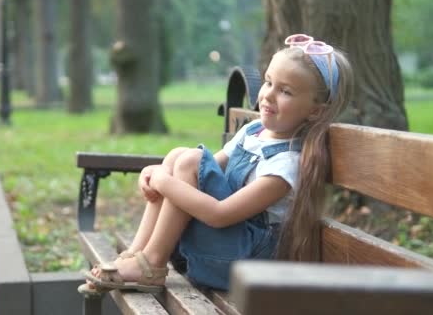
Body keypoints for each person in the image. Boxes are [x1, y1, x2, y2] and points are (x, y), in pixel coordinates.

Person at [79, 33, 354, 293]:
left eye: (286, 91)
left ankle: (151, 263)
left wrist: (164, 182)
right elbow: (197, 168)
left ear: (316, 110)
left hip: (244, 264)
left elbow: (219, 214)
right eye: (269, 82)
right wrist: (158, 171)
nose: (268, 95)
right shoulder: (253, 131)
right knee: (179, 155)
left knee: (189, 159)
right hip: (223, 249)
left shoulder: (286, 164)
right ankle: (137, 255)